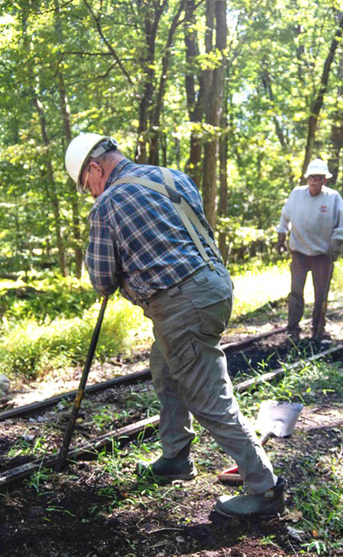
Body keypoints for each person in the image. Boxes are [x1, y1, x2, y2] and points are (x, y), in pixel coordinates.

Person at [64, 132, 285, 520]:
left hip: (182, 302)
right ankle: (176, 455)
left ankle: (265, 489)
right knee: (165, 368)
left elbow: (102, 280)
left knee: (208, 397)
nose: (91, 193)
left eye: (87, 185)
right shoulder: (172, 177)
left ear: (95, 168)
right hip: (214, 284)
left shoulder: (108, 205)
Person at [276, 159, 343, 342]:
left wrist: (336, 242)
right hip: (299, 252)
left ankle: (318, 329)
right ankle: (293, 329)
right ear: (307, 179)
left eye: (318, 178)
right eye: (311, 177)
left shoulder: (333, 198)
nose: (314, 181)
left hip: (322, 255)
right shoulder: (296, 194)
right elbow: (284, 218)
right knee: (296, 292)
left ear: (325, 180)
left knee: (321, 293)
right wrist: (281, 237)